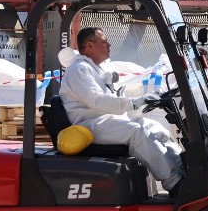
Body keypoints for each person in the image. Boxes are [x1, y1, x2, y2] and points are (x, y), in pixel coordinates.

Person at [59, 27, 184, 195]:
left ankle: (182, 171)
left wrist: (142, 99)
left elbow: (110, 98)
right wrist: (133, 103)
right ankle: (176, 184)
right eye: (104, 41)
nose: (109, 44)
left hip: (103, 121)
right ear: (90, 45)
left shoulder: (95, 69)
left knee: (153, 126)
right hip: (90, 125)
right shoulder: (79, 69)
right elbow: (97, 101)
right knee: (137, 132)